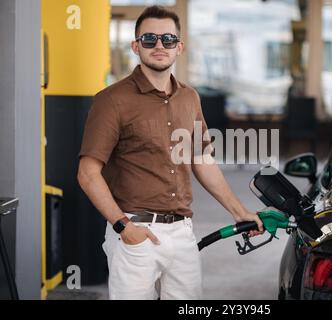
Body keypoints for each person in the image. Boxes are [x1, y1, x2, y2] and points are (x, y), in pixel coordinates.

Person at [77, 5, 263, 300]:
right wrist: (123, 226)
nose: (160, 46)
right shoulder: (111, 101)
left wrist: (240, 212)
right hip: (135, 233)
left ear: (180, 46)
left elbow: (201, 160)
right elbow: (87, 173)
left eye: (168, 39)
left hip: (182, 234)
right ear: (136, 46)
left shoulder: (189, 97)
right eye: (150, 39)